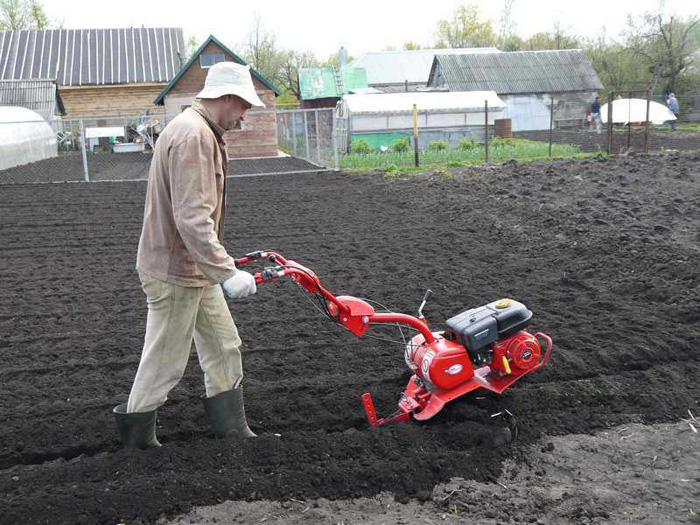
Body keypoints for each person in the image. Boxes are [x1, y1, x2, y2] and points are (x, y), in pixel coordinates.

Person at [112, 62, 265, 449]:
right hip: (173, 271)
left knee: (224, 345)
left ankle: (232, 430)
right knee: (165, 360)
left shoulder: (200, 131)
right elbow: (192, 217)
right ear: (227, 98)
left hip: (195, 269)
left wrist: (217, 269)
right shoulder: (193, 135)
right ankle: (138, 444)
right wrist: (227, 272)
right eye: (244, 105)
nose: (245, 115)